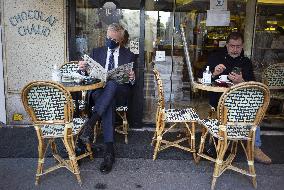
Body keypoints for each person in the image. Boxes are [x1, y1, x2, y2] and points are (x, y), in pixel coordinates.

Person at [202, 31, 272, 164]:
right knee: (240, 110)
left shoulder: (245, 62)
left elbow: (253, 85)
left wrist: (241, 81)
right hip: (219, 99)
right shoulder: (216, 57)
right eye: (232, 46)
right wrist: (213, 73)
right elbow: (203, 79)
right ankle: (224, 141)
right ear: (227, 45)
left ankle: (255, 147)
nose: (235, 49)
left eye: (238, 46)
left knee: (255, 109)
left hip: (241, 102)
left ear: (242, 46)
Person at [78, 23, 136, 174]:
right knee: (107, 101)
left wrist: (132, 77)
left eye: (114, 39)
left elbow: (132, 83)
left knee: (112, 84)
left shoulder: (128, 55)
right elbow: (85, 75)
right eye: (108, 37)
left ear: (121, 41)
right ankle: (109, 152)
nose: (110, 40)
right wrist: (82, 69)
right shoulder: (96, 52)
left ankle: (89, 125)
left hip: (120, 92)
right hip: (99, 93)